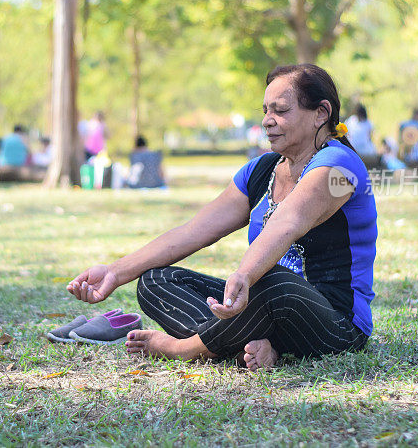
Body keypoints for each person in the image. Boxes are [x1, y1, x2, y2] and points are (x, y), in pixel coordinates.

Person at [67, 64, 376, 371]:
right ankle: (257, 347)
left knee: (271, 280)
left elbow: (288, 222)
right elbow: (193, 232)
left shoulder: (339, 168)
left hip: (335, 322)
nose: (268, 121)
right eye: (266, 110)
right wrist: (115, 272)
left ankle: (187, 349)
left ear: (321, 113)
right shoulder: (260, 171)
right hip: (260, 305)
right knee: (155, 280)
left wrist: (245, 274)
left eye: (280, 111)